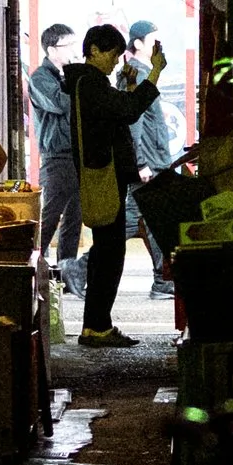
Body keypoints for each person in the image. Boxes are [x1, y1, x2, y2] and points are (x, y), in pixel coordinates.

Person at [60, 24, 155, 345]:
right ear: (94, 51)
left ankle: (95, 325)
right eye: (112, 54)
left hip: (104, 174)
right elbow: (127, 112)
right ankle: (98, 326)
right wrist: (153, 76)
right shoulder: (89, 83)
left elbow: (117, 111)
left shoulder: (90, 83)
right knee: (110, 254)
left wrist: (127, 84)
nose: (115, 61)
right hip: (104, 176)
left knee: (106, 252)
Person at [120, 18, 178, 290]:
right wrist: (141, 162)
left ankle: (162, 277)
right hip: (148, 163)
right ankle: (79, 269)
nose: (158, 47)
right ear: (138, 43)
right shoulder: (137, 75)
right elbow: (135, 122)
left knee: (152, 218)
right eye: (153, 41)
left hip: (152, 160)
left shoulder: (144, 71)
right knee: (139, 220)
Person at [27, 22, 83, 296]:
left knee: (74, 218)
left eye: (75, 44)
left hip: (76, 155)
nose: (74, 50)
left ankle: (64, 275)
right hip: (56, 156)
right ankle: (30, 265)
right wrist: (76, 81)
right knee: (49, 216)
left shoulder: (67, 75)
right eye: (68, 46)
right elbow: (62, 104)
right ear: (51, 49)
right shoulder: (40, 78)